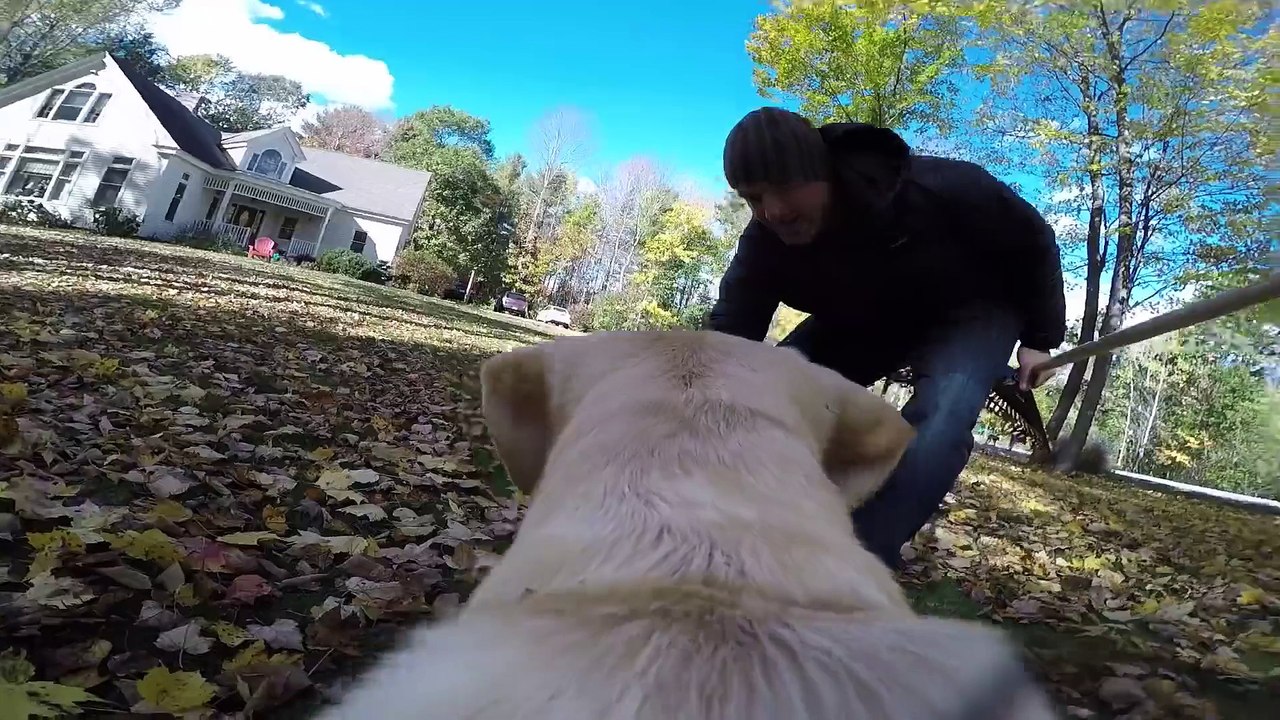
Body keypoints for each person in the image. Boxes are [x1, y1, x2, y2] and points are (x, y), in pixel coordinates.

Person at [708, 107, 1067, 570]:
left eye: (787, 187)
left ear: (824, 173)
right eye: (754, 197)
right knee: (772, 389)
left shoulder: (939, 188)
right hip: (865, 319)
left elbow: (1034, 241)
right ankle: (741, 520)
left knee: (942, 415)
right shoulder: (764, 243)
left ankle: (853, 560)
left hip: (972, 309)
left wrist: (1040, 338)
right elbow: (730, 335)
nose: (774, 211)